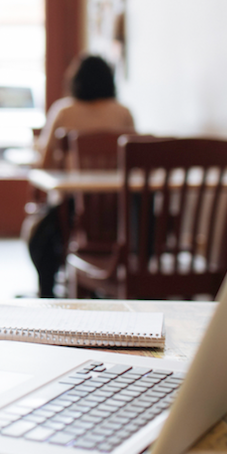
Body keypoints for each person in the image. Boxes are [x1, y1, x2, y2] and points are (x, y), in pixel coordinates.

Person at [27, 54, 135, 298]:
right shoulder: (123, 113)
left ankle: (47, 292)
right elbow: (133, 161)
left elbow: (44, 165)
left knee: (38, 233)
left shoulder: (64, 111)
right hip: (121, 215)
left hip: (77, 214)